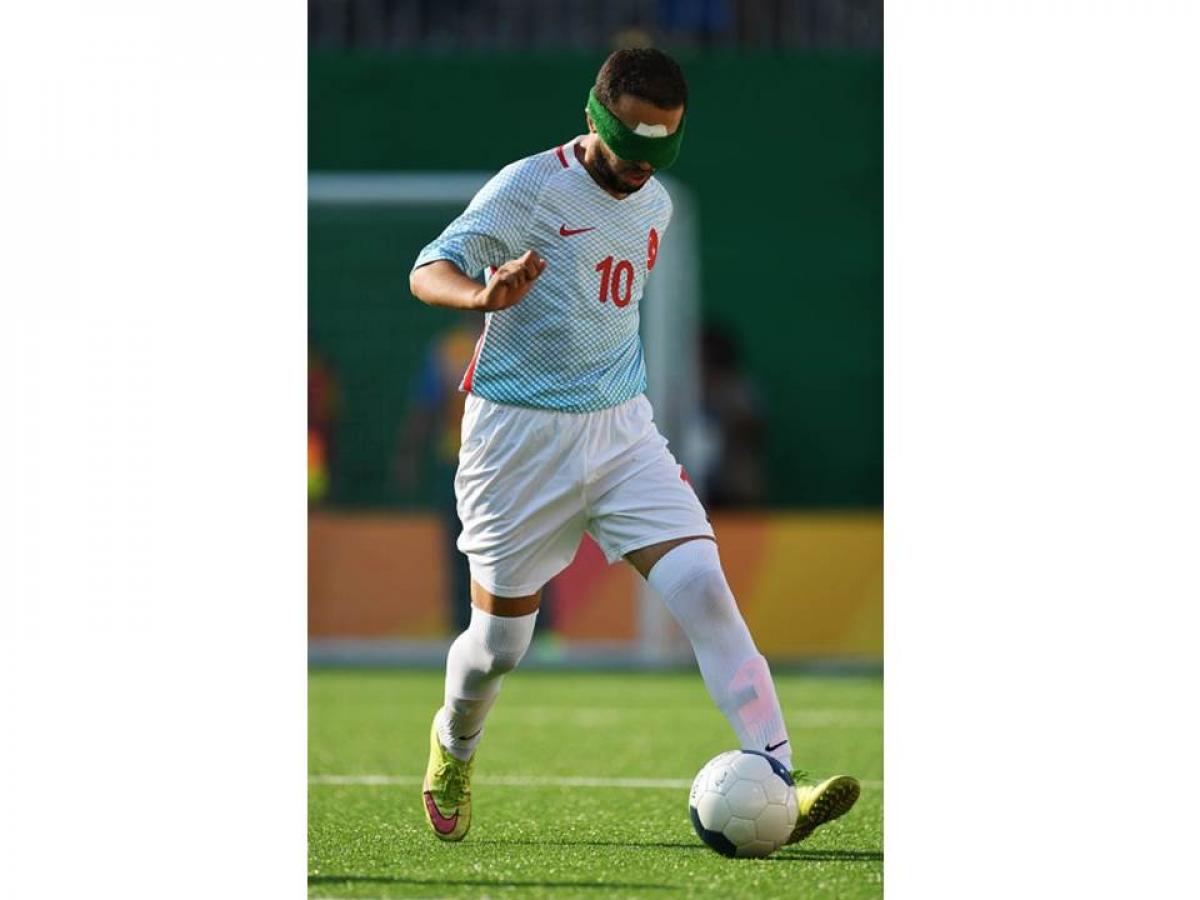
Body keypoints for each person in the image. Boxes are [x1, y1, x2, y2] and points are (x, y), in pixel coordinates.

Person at [408, 47, 859, 844]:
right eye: (629, 151)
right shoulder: (529, 188)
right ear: (594, 117)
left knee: (704, 587)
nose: (641, 171)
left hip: (621, 432)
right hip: (516, 441)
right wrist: (482, 292)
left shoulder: (656, 204)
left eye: (661, 153)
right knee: (499, 647)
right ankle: (454, 742)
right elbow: (426, 268)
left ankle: (778, 776)